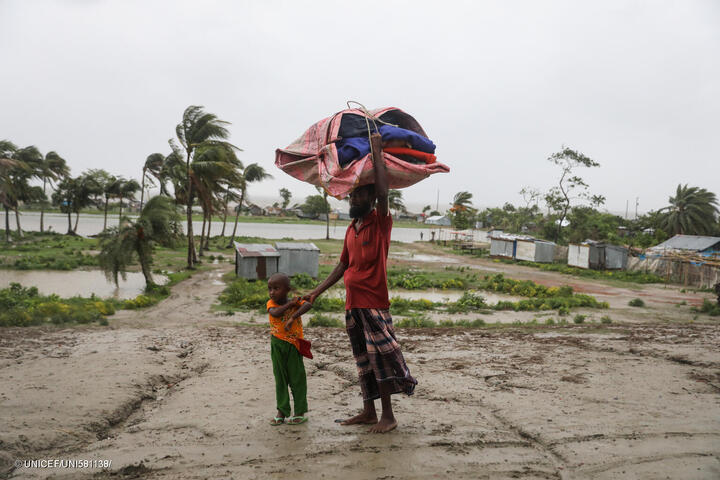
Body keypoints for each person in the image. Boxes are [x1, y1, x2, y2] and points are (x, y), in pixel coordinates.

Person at [305, 133, 417, 434]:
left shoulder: (380, 222)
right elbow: (343, 265)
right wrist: (316, 292)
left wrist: (377, 151)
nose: (354, 199)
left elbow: (384, 194)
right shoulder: (352, 228)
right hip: (353, 305)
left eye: (360, 195)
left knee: (380, 360)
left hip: (373, 303)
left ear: (370, 199)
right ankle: (369, 412)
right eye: (352, 196)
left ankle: (388, 416)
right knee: (363, 361)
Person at [267, 273, 313, 426]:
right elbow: (276, 313)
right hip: (277, 344)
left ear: (287, 290)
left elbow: (308, 304)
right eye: (270, 289)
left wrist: (293, 317)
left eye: (276, 288)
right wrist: (291, 304)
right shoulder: (271, 304)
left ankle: (299, 412)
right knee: (280, 379)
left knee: (297, 378)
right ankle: (282, 411)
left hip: (294, 345)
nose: (272, 292)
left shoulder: (295, 301)